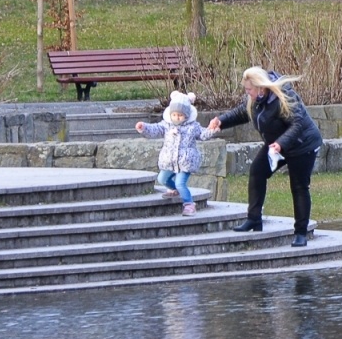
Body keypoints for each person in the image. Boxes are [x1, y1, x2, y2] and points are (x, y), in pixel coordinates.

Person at [209, 67, 323, 245]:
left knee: (299, 186)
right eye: (246, 90)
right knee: (257, 171)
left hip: (303, 145)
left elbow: (297, 123)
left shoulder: (285, 97)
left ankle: (301, 233)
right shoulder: (256, 100)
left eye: (249, 90)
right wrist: (221, 121)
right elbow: (242, 112)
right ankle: (254, 219)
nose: (248, 93)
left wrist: (281, 144)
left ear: (261, 88)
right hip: (278, 146)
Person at [134, 91, 218, 217]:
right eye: (174, 115)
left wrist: (211, 130)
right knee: (162, 178)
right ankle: (174, 190)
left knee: (180, 182)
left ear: (187, 115)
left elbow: (202, 134)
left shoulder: (192, 127)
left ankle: (189, 204)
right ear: (170, 114)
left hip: (185, 161)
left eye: (180, 115)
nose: (177, 117)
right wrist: (144, 127)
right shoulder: (166, 125)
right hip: (170, 161)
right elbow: (155, 129)